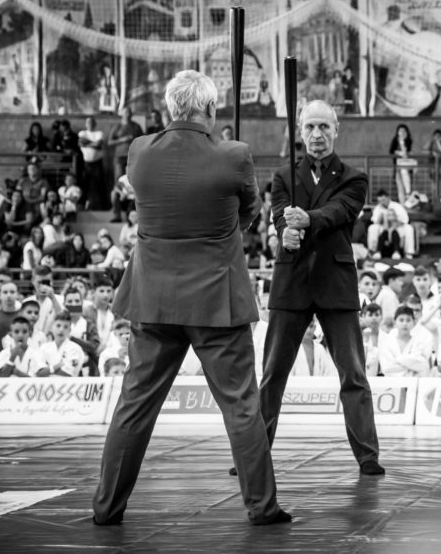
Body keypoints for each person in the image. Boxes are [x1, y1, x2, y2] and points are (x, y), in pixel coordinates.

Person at [93, 70, 289, 526]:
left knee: (134, 407)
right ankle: (262, 506)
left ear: (169, 108)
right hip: (216, 301)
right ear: (211, 109)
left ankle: (106, 508)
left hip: (153, 300)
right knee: (241, 407)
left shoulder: (139, 150)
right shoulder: (234, 154)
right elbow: (250, 212)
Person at [259, 99, 384, 477]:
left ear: (336, 130)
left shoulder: (354, 178)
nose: (317, 134)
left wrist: (306, 219)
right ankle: (254, 454)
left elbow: (341, 212)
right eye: (310, 127)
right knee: (272, 374)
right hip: (291, 280)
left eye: (324, 127)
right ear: (299, 132)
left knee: (354, 374)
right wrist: (285, 232)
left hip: (336, 282)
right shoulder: (283, 176)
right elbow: (280, 214)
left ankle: (367, 455)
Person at [78, 116, 106, 210]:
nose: (90, 124)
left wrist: (87, 143)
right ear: (85, 124)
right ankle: (82, 206)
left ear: (95, 124)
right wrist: (93, 144)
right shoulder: (82, 133)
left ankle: (102, 206)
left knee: (99, 184)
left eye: (91, 122)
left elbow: (98, 144)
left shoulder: (99, 133)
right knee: (84, 184)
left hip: (97, 163)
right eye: (88, 122)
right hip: (86, 163)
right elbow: (81, 143)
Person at [109, 107, 143, 180]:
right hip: (119, 157)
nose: (128, 114)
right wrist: (122, 140)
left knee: (132, 179)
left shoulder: (136, 126)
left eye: (130, 112)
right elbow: (110, 142)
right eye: (126, 112)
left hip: (133, 157)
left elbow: (143, 141)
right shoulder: (117, 126)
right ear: (122, 114)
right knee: (119, 178)